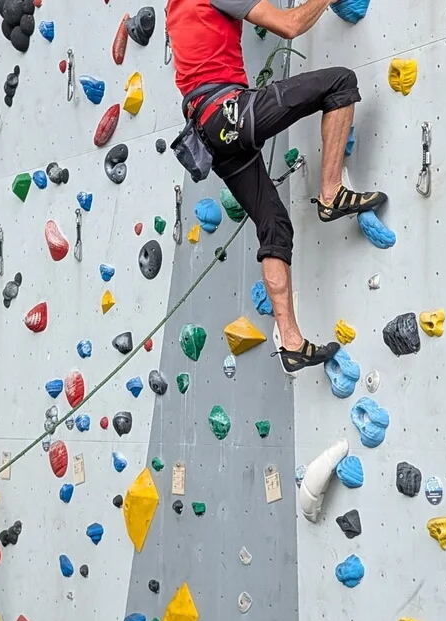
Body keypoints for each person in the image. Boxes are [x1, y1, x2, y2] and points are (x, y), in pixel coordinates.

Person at [166, 0, 388, 374]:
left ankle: (291, 342)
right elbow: (289, 24)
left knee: (274, 226)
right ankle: (331, 193)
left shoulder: (175, 9)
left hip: (209, 136)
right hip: (231, 113)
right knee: (340, 83)